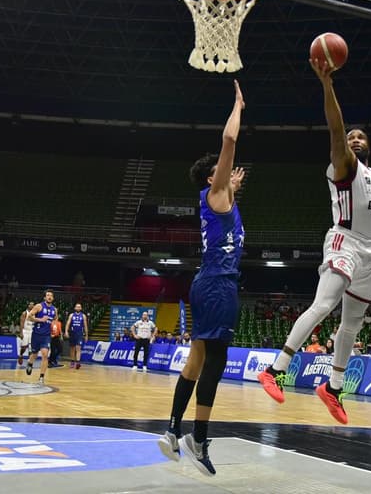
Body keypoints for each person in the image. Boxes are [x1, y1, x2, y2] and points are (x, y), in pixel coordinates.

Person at [258, 59, 371, 425]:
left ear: (370, 145)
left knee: (352, 325)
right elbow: (335, 127)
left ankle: (334, 387)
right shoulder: (344, 164)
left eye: (361, 136)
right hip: (345, 240)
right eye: (351, 136)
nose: (354, 139)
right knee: (324, 304)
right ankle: (276, 369)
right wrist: (327, 85)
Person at [157, 80, 246, 476]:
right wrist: (238, 107)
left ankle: (174, 429)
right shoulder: (216, 194)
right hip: (218, 286)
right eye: (222, 173)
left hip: (208, 283)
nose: (227, 173)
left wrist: (231, 187)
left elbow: (226, 187)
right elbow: (229, 140)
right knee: (216, 361)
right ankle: (199, 434)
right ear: (213, 178)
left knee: (196, 358)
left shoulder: (219, 201)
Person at [25, 290, 57, 385]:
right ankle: (30, 363)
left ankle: (41, 377)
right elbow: (29, 317)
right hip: (36, 334)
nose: (49, 297)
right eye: (47, 295)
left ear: (53, 298)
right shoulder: (39, 306)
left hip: (46, 336)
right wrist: (40, 319)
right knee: (34, 354)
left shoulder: (54, 310)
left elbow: (55, 320)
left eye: (51, 295)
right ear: (44, 297)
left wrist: (54, 329)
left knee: (45, 354)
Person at [65, 302, 88, 369]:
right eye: (77, 306)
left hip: (79, 334)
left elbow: (85, 326)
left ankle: (78, 362)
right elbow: (68, 324)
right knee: (72, 348)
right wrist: (66, 331)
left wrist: (86, 335)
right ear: (75, 308)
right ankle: (72, 361)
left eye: (79, 307)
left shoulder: (83, 316)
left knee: (78, 348)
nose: (78, 308)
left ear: (81, 308)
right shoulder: (71, 315)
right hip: (72, 333)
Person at [17, 301, 35, 366]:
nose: (32, 306)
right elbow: (21, 323)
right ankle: (21, 355)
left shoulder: (35, 313)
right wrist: (21, 332)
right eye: (31, 304)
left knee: (31, 347)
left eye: (33, 305)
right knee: (24, 346)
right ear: (28, 306)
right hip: (25, 331)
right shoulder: (25, 313)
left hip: (32, 331)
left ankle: (29, 361)